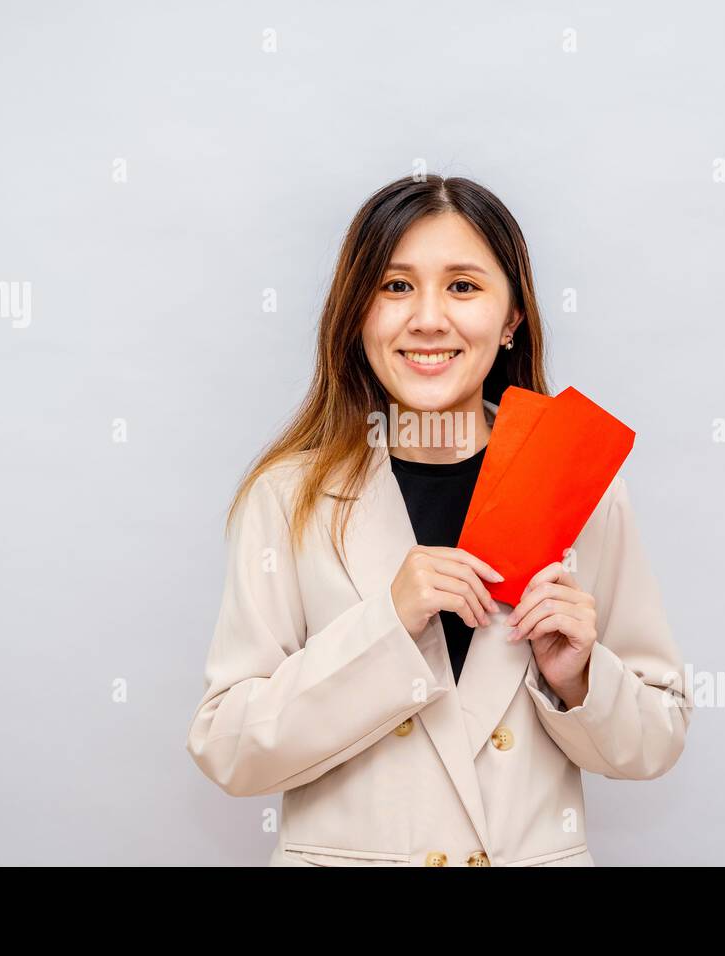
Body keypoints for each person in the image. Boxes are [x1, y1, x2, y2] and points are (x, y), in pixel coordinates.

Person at [185, 173, 692, 866]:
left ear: (512, 316)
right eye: (395, 287)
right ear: (357, 312)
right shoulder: (287, 495)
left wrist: (576, 679)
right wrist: (386, 627)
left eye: (463, 286)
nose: (428, 318)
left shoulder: (579, 485)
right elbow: (229, 749)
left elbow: (657, 738)